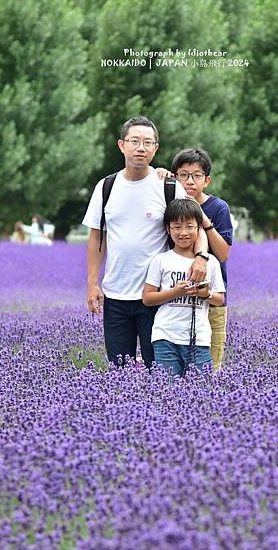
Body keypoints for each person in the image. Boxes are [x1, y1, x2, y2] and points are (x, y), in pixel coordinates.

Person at [82, 116, 209, 370]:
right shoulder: (106, 187)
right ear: (121, 145)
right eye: (135, 141)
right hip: (116, 295)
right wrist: (92, 284)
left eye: (147, 142)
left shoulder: (168, 185)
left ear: (156, 148)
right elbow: (97, 237)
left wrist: (201, 257)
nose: (141, 147)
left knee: (159, 371)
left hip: (155, 296)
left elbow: (199, 227)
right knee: (119, 370)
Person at [143, 199, 225, 377]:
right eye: (177, 227)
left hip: (199, 339)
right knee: (167, 392)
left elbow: (220, 299)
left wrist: (206, 294)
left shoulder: (210, 263)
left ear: (198, 229)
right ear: (168, 229)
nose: (183, 233)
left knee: (202, 391)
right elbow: (147, 298)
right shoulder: (161, 260)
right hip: (165, 337)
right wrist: (176, 292)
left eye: (189, 226)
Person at [170, 148, 233, 371]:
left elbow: (223, 253)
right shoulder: (170, 204)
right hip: (175, 301)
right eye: (184, 175)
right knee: (172, 366)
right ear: (174, 177)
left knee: (210, 367)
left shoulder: (218, 208)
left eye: (196, 175)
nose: (190, 181)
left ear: (206, 180)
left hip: (212, 300)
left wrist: (203, 218)